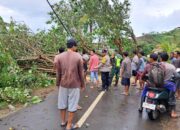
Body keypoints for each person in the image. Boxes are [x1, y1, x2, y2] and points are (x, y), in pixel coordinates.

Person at [54, 39, 85, 130]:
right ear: (73, 46)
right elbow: (81, 73)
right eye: (76, 46)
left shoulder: (59, 56)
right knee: (73, 103)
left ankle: (63, 122)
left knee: (62, 103)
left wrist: (57, 83)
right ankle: (69, 125)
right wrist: (83, 84)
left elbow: (58, 72)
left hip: (63, 84)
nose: (76, 48)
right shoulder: (78, 56)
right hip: (74, 84)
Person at [160, 52, 180, 118]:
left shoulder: (156, 65)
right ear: (167, 58)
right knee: (172, 94)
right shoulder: (171, 66)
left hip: (155, 84)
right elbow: (177, 76)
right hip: (166, 83)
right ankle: (173, 112)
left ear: (160, 58)